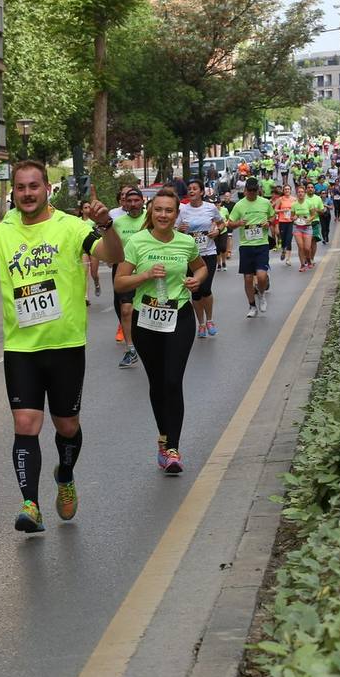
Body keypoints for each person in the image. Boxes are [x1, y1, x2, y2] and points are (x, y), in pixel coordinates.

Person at [0, 162, 123, 532]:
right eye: (20, 188)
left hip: (66, 345)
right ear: (14, 193)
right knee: (25, 424)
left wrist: (107, 225)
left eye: (33, 187)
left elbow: (111, 255)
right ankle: (31, 505)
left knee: (67, 426)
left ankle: (66, 475)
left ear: (46, 189)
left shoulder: (71, 227)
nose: (26, 194)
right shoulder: (1, 232)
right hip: (21, 348)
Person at [116, 188, 207, 475]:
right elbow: (119, 283)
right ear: (150, 212)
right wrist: (144, 275)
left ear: (176, 214)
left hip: (179, 315)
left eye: (169, 211)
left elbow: (201, 267)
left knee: (172, 380)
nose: (163, 215)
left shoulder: (185, 242)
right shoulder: (137, 243)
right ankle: (163, 437)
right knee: (157, 382)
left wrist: (196, 281)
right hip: (147, 319)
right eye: (158, 210)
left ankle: (173, 449)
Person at [176, 179, 225, 339]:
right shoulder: (182, 210)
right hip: (190, 255)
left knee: (205, 288)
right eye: (189, 189)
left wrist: (217, 231)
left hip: (208, 253)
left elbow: (222, 224)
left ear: (202, 192)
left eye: (194, 189)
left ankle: (210, 319)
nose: (191, 191)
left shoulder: (210, 207)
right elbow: (174, 230)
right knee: (195, 291)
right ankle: (201, 324)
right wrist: (180, 230)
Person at [227, 178, 277, 317]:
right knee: (248, 278)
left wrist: (268, 222)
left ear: (258, 190)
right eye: (249, 191)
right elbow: (229, 223)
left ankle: (261, 294)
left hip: (262, 244)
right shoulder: (239, 205)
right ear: (245, 190)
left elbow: (273, 217)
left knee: (261, 276)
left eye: (254, 191)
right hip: (246, 245)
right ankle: (252, 306)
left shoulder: (265, 203)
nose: (252, 193)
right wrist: (239, 223)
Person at [111, 187, 147, 366]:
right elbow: (112, 245)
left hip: (147, 271)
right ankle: (131, 349)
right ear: (124, 203)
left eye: (136, 201)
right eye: (129, 201)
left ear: (142, 201)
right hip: (124, 271)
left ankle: (149, 343)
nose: (133, 204)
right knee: (125, 310)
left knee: (146, 308)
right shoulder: (118, 223)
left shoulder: (151, 219)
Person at [291, 184, 318, 272]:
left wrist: (308, 220)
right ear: (296, 193)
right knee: (300, 247)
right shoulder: (294, 205)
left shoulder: (309, 203)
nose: (300, 194)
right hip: (297, 227)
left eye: (302, 192)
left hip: (307, 227)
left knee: (307, 248)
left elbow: (314, 215)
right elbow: (292, 217)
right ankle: (302, 265)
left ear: (305, 193)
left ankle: (309, 260)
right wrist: (293, 218)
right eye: (299, 192)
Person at [80, 201, 103, 302]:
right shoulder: (78, 221)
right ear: (81, 210)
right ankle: (85, 296)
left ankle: (97, 283)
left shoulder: (94, 221)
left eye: (89, 207)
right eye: (85, 207)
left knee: (94, 273)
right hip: (83, 249)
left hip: (93, 248)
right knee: (84, 272)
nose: (87, 209)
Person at [273, 185, 295, 266]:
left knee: (289, 240)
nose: (287, 190)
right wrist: (283, 210)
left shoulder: (294, 199)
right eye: (285, 189)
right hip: (282, 221)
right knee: (284, 239)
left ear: (290, 190)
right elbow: (275, 210)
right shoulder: (280, 199)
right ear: (283, 190)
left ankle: (288, 259)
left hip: (291, 221)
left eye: (288, 189)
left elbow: (297, 209)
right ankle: (283, 250)